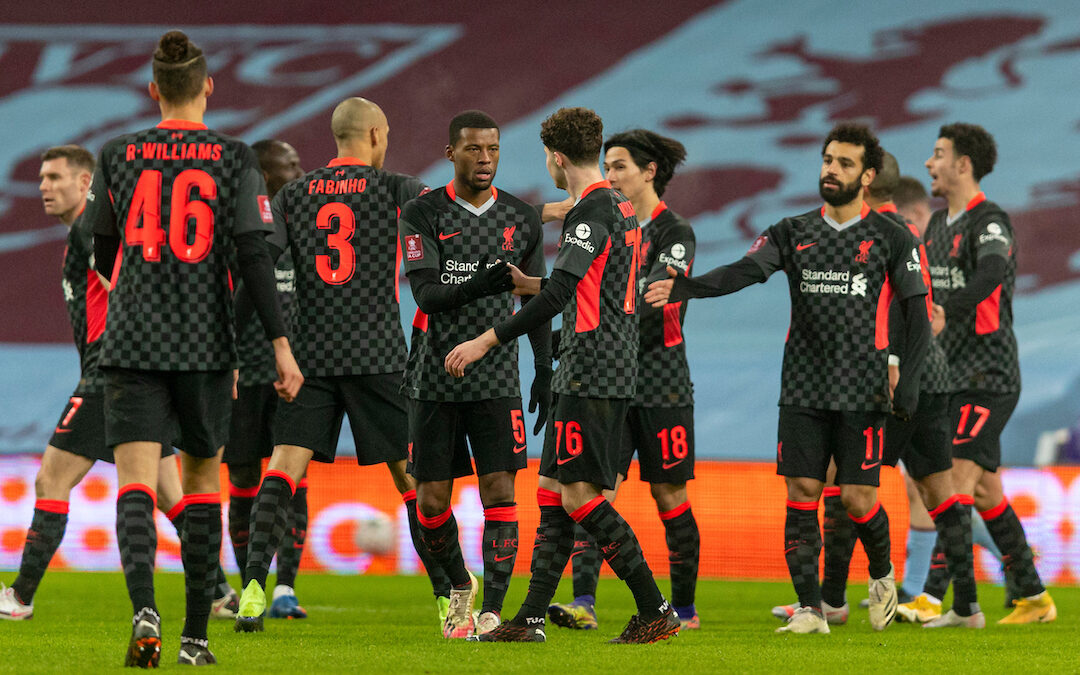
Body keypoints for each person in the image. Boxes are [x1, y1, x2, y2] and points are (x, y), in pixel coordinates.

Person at [646, 123, 931, 635]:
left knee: (857, 499)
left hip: (862, 387)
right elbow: (744, 270)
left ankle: (883, 574)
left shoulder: (892, 237)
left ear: (866, 176)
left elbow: (915, 311)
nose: (831, 169)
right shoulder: (792, 231)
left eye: (844, 163)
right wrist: (686, 287)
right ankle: (810, 609)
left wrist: (908, 381)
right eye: (827, 159)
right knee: (801, 490)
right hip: (802, 385)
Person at [85, 31, 303, 667]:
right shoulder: (236, 157)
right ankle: (195, 639)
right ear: (209, 86)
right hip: (208, 346)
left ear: (153, 90)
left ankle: (143, 610)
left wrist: (134, 289)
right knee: (202, 480)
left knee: (136, 484)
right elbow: (255, 257)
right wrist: (281, 348)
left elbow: (101, 252)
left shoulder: (117, 152)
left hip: (129, 342)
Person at [446, 106, 679, 644]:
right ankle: (527, 619)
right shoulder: (621, 207)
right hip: (601, 362)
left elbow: (559, 295)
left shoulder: (589, 213)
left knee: (579, 496)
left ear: (555, 157)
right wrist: (527, 284)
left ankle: (653, 607)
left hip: (592, 368)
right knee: (552, 491)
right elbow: (587, 281)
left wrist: (486, 339)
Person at [233, 97, 454, 633]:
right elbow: (469, 215)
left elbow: (260, 263)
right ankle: (448, 597)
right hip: (377, 354)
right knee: (412, 480)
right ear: (376, 134)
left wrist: (248, 344)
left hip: (312, 355)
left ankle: (253, 589)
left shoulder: (294, 194)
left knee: (282, 469)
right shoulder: (399, 189)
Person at [0, 146, 234, 622]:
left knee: (52, 477)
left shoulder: (90, 228)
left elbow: (125, 288)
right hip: (134, 370)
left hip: (112, 373)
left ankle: (20, 597)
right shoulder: (82, 233)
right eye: (42, 177)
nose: (43, 186)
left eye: (54, 177)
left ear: (86, 182)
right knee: (171, 497)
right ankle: (221, 592)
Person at [398, 110, 550, 638]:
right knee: (431, 501)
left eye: (492, 149)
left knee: (500, 491)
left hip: (497, 375)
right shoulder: (423, 213)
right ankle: (460, 584)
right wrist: (487, 282)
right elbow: (427, 296)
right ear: (451, 153)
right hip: (433, 375)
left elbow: (538, 298)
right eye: (473, 150)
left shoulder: (521, 217)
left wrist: (544, 368)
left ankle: (492, 609)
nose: (484, 159)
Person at [901, 122, 1056, 624]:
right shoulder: (940, 224)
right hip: (953, 376)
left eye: (938, 153)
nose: (929, 163)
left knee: (957, 480)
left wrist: (947, 311)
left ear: (962, 164)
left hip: (990, 375)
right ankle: (1034, 596)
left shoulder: (990, 221)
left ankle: (930, 596)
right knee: (987, 491)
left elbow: (991, 274)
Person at [547, 128, 700, 631]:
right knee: (594, 491)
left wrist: (602, 322)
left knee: (669, 495)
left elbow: (654, 300)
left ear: (649, 171)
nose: (609, 175)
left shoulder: (674, 231)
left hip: (660, 380)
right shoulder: (607, 217)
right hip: (611, 377)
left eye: (619, 166)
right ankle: (584, 603)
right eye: (607, 166)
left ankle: (682, 609)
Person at [223, 139, 310, 620]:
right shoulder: (239, 233)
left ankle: (286, 588)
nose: (299, 169)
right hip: (245, 373)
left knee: (293, 476)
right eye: (290, 163)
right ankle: (248, 583)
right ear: (263, 174)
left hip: (295, 373)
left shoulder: (307, 229)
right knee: (242, 478)